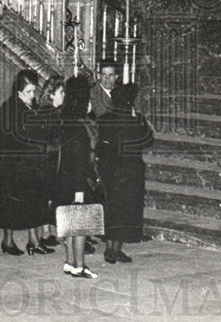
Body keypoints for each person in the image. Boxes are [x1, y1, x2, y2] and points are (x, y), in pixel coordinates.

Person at [0, 69, 55, 256]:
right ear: (18, 91)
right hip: (14, 164)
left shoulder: (30, 107)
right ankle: (7, 241)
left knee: (33, 202)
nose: (32, 96)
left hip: (30, 163)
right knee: (11, 205)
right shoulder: (10, 107)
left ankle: (33, 241)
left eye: (34, 91)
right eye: (28, 92)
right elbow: (7, 135)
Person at [95, 83, 154, 264]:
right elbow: (148, 140)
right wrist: (140, 120)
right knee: (124, 212)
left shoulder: (104, 119)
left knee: (112, 210)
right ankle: (116, 250)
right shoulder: (134, 120)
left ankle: (109, 249)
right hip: (130, 173)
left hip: (110, 171)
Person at [55, 75, 99, 278]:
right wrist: (80, 189)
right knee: (80, 225)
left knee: (69, 223)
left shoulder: (65, 120)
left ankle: (70, 262)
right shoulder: (80, 128)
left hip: (63, 180)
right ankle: (80, 266)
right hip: (77, 181)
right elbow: (80, 161)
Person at [34, 75, 65, 249]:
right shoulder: (48, 112)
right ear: (51, 94)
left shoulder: (54, 111)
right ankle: (45, 232)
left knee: (50, 195)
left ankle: (48, 229)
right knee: (46, 195)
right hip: (46, 159)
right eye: (61, 93)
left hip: (52, 158)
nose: (64, 96)